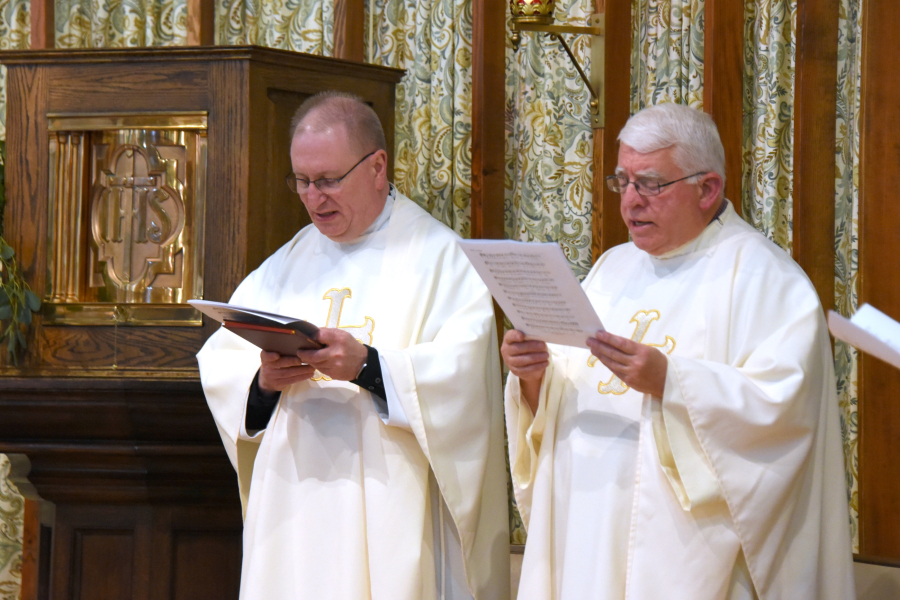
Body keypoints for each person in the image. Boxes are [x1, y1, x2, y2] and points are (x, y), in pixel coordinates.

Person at [501, 103, 855, 600]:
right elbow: (564, 398)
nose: (630, 203)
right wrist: (532, 377)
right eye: (622, 182)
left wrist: (672, 380)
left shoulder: (766, 279)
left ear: (707, 189)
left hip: (686, 551)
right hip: (588, 523)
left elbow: (784, 412)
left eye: (650, 184)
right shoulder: (611, 270)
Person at [197, 91, 509, 600]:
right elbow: (224, 365)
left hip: (388, 508)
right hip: (292, 510)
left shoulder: (440, 259)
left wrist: (369, 367)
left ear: (377, 166)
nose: (314, 197)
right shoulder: (288, 262)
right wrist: (262, 383)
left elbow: (465, 381)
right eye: (302, 181)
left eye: (328, 180)